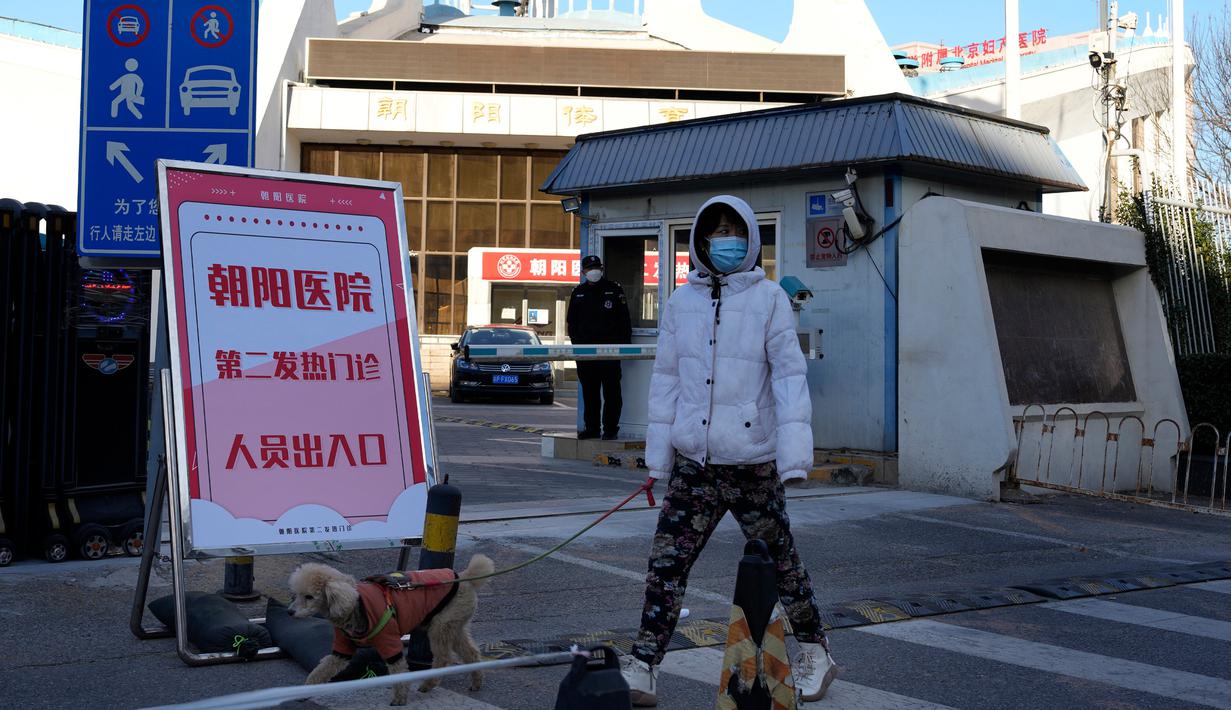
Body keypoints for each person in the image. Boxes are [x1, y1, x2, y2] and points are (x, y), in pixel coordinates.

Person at [619, 195, 838, 706]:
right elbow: (666, 381)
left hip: (751, 460)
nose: (724, 241)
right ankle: (645, 665)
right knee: (666, 566)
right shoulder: (680, 302)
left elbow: (788, 377)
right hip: (695, 463)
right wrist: (659, 458)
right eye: (714, 231)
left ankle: (816, 650)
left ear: (750, 241)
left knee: (781, 561)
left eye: (732, 231)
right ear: (699, 241)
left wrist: (794, 458)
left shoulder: (769, 300)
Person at [566, 255, 632, 440]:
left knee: (612, 392)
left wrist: (624, 348)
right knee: (590, 392)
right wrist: (577, 346)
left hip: (610, 352)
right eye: (590, 268)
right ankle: (592, 428)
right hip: (586, 354)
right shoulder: (578, 292)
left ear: (602, 269)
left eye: (597, 267)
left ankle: (610, 429)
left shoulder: (613, 289)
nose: (594, 271)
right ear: (583, 272)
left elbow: (624, 320)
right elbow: (572, 323)